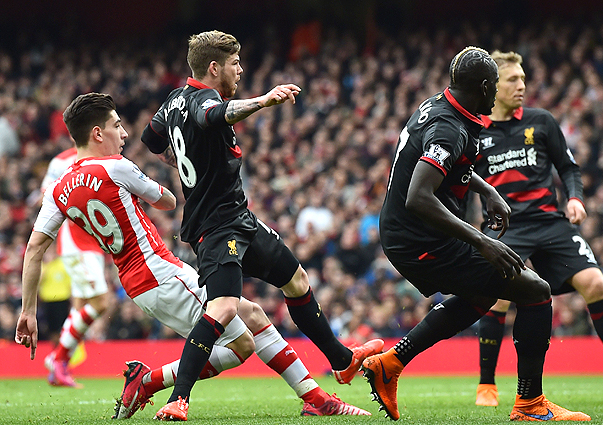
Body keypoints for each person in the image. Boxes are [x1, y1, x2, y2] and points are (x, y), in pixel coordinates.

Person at [14, 92, 371, 420]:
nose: (123, 134)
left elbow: (34, 250)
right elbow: (167, 200)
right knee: (241, 343)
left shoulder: (57, 189)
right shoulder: (116, 167)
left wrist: (28, 311)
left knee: (253, 314)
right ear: (97, 133)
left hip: (137, 282)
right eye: (116, 126)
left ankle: (316, 398)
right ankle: (149, 381)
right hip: (160, 272)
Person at [141, 30, 383, 418]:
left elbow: (150, 138)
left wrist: (180, 160)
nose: (240, 70)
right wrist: (263, 101)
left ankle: (341, 360)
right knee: (223, 308)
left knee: (297, 280)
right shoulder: (203, 99)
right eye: (235, 63)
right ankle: (177, 399)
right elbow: (213, 115)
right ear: (214, 67)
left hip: (241, 220)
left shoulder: (173, 101)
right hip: (217, 227)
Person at [360, 46, 590, 422]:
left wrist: (486, 190)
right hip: (420, 239)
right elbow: (419, 196)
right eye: (495, 84)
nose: (496, 92)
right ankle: (530, 403)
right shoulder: (449, 128)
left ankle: (391, 363)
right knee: (535, 291)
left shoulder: (443, 106)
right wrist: (482, 241)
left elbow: (449, 165)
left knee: (483, 296)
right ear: (484, 87)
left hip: (410, 234)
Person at [472, 50, 603, 407]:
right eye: (513, 79)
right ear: (494, 86)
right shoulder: (475, 131)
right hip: (506, 228)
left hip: (550, 221)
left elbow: (568, 167)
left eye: (523, 78)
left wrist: (575, 198)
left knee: (596, 283)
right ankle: (487, 384)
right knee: (499, 295)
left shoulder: (542, 121)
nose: (522, 85)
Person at [39, 146, 111, 388]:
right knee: (101, 302)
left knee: (80, 306)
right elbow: (46, 195)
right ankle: (57, 358)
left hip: (93, 241)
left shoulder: (106, 156)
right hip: (77, 241)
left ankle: (59, 367)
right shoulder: (62, 161)